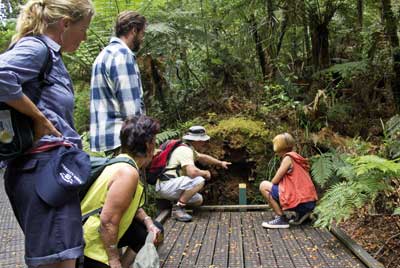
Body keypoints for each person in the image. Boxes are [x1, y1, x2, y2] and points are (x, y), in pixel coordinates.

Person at [0, 0, 94, 267]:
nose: (85, 36)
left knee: (66, 259)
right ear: (65, 24)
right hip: (42, 170)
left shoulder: (50, 56)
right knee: (55, 261)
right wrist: (37, 117)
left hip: (52, 171)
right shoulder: (36, 48)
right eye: (84, 28)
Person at [80, 115, 163, 268]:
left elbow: (128, 204)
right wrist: (114, 259)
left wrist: (148, 221)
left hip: (95, 235)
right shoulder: (127, 173)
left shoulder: (122, 162)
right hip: (91, 248)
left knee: (147, 232)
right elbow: (108, 222)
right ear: (148, 145)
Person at [90, 10, 146, 156]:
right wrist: (142, 141)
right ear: (134, 30)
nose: (142, 38)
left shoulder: (102, 56)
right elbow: (130, 108)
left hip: (107, 139)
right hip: (125, 140)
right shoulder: (123, 55)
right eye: (142, 33)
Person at [156, 125, 231, 222]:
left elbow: (203, 157)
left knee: (198, 199)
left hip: (168, 186)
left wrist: (220, 163)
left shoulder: (187, 148)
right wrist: (205, 173)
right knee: (199, 180)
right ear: (198, 140)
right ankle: (178, 208)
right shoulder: (185, 151)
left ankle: (173, 204)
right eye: (203, 141)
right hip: (167, 185)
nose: (204, 143)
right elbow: (192, 172)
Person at [259, 132, 318, 229]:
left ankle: (281, 218)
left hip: (301, 202)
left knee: (264, 185)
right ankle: (302, 215)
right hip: (309, 202)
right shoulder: (297, 158)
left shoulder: (288, 158)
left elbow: (275, 181)